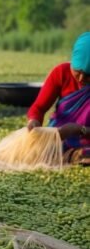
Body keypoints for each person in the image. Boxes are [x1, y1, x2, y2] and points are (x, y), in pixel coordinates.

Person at [27, 31, 90, 164]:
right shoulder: (61, 73)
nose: (81, 79)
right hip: (58, 138)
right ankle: (68, 155)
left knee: (85, 153)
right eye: (77, 72)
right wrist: (34, 120)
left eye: (88, 75)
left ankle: (72, 156)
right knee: (34, 152)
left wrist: (80, 130)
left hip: (87, 142)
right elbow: (38, 107)